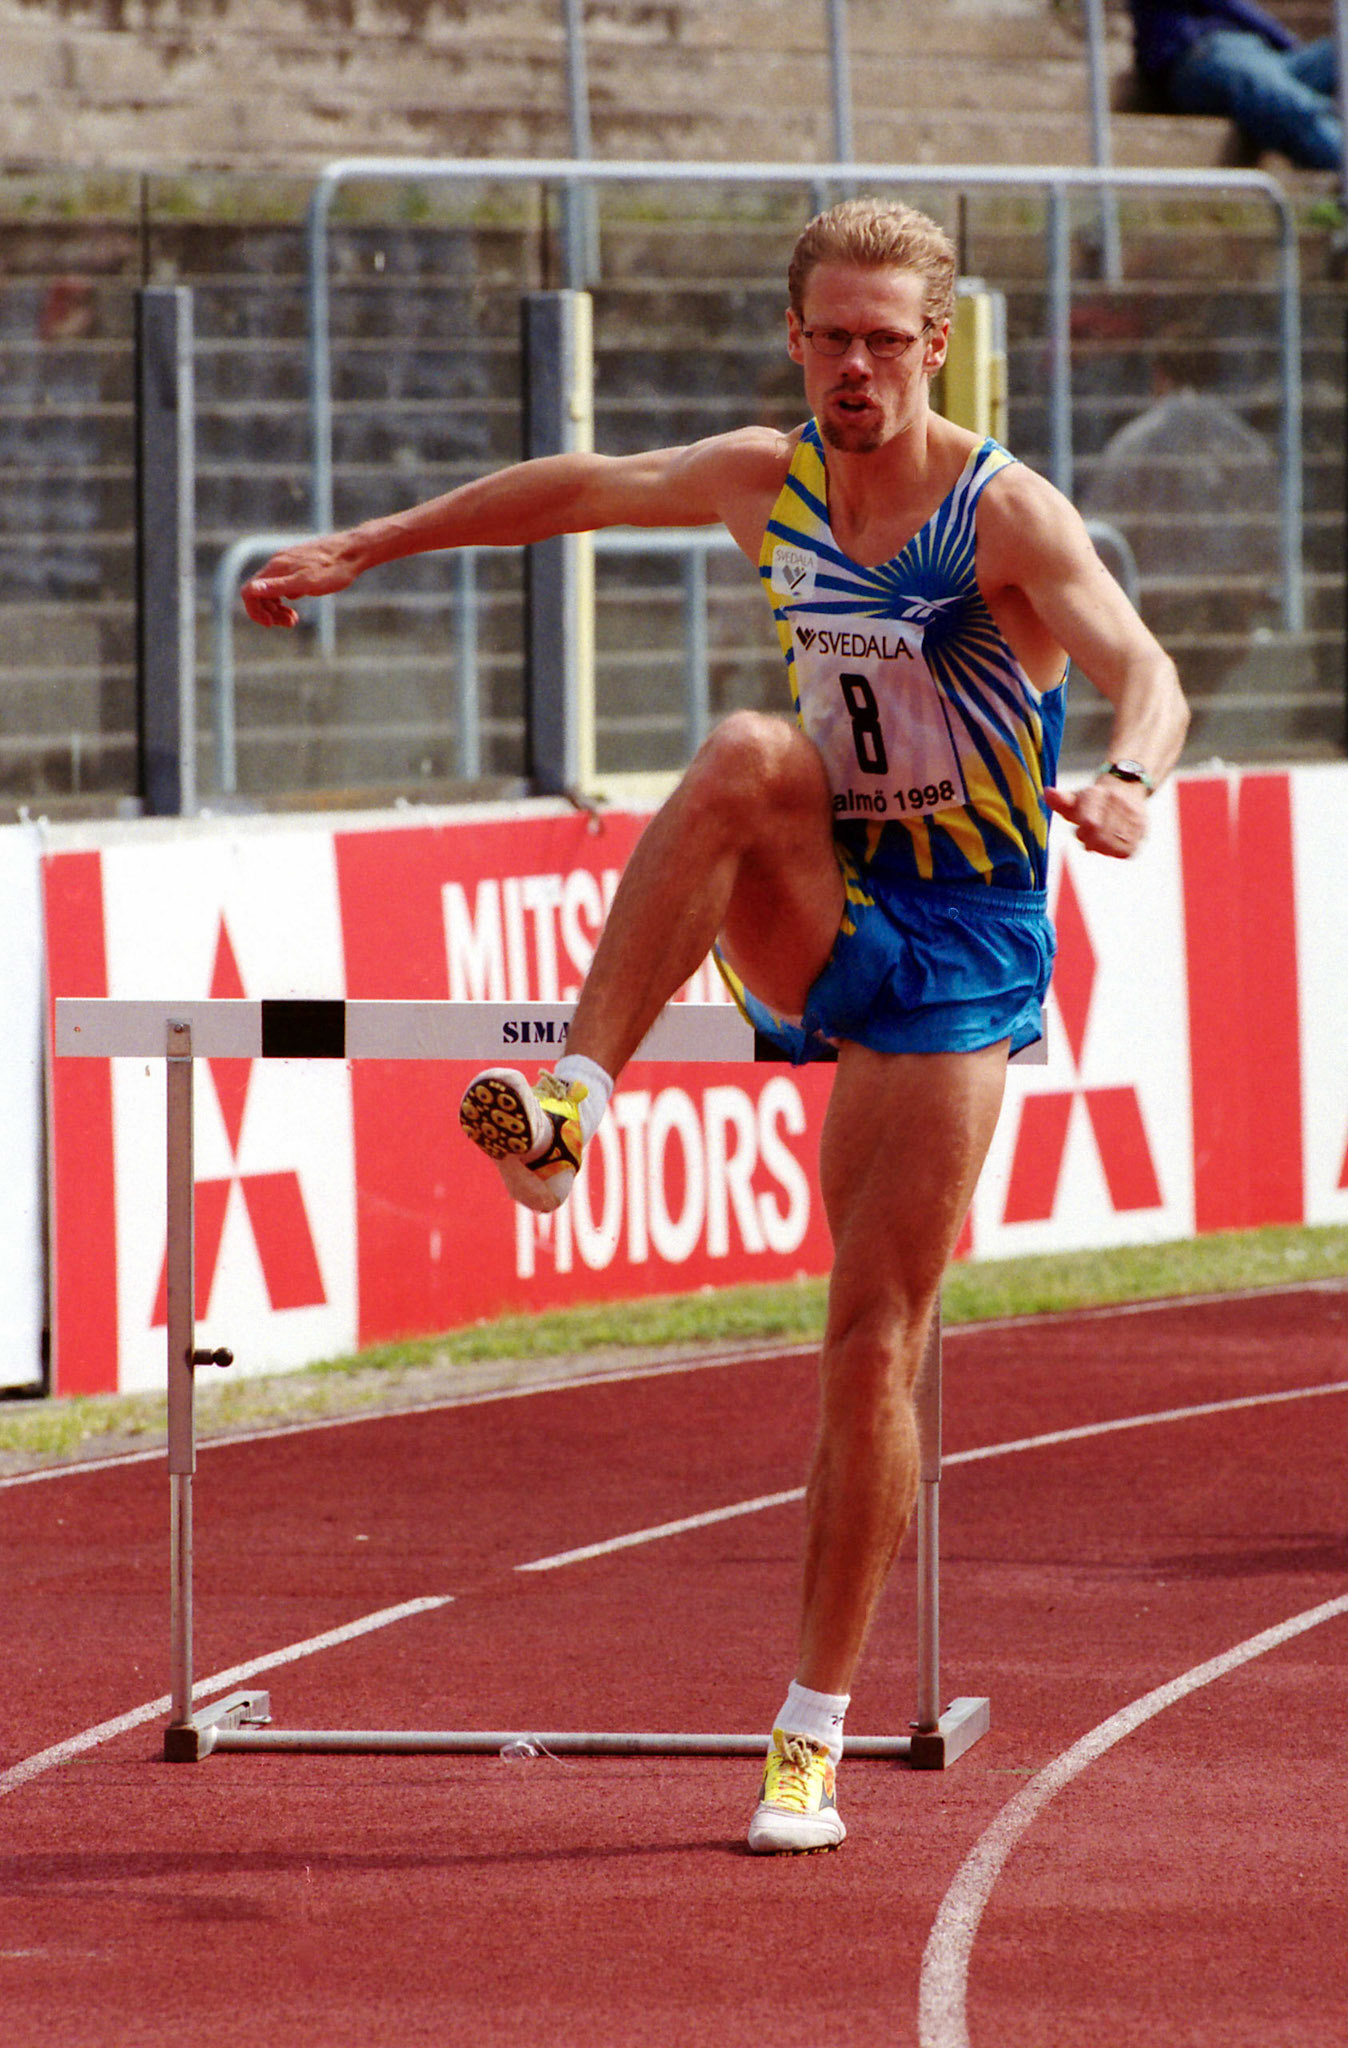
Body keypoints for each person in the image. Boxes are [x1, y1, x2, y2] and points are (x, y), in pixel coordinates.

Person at [242, 197, 1190, 1855]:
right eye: (828, 335)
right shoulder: (772, 479)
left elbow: (1142, 665)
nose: (853, 366)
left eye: (884, 338)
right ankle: (565, 1110)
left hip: (963, 944)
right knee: (749, 751)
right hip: (825, 892)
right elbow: (576, 491)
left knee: (869, 1334)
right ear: (793, 337)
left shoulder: (998, 515)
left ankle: (808, 1732)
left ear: (935, 342)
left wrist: (1124, 780)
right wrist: (359, 548)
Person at [1126, 0, 1342, 171]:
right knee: (1286, 101)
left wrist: (1288, 47)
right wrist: (1287, 42)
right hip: (1203, 53)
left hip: (1264, 54)